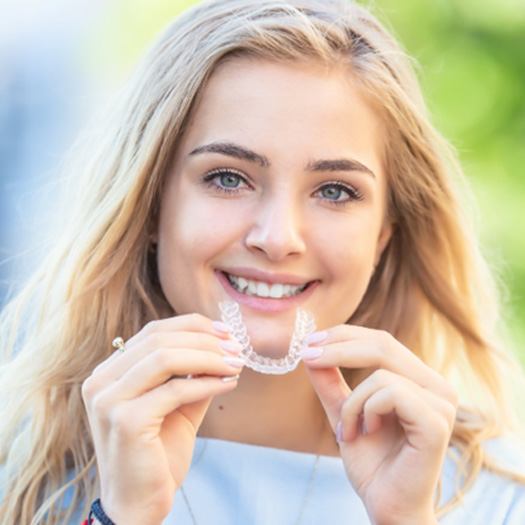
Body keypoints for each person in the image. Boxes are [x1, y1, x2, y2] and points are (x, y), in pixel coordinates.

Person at [1, 0, 524, 523]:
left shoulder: (499, 498)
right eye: (228, 178)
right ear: (151, 206)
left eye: (336, 191)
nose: (277, 238)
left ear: (383, 235)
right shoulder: (22, 477)